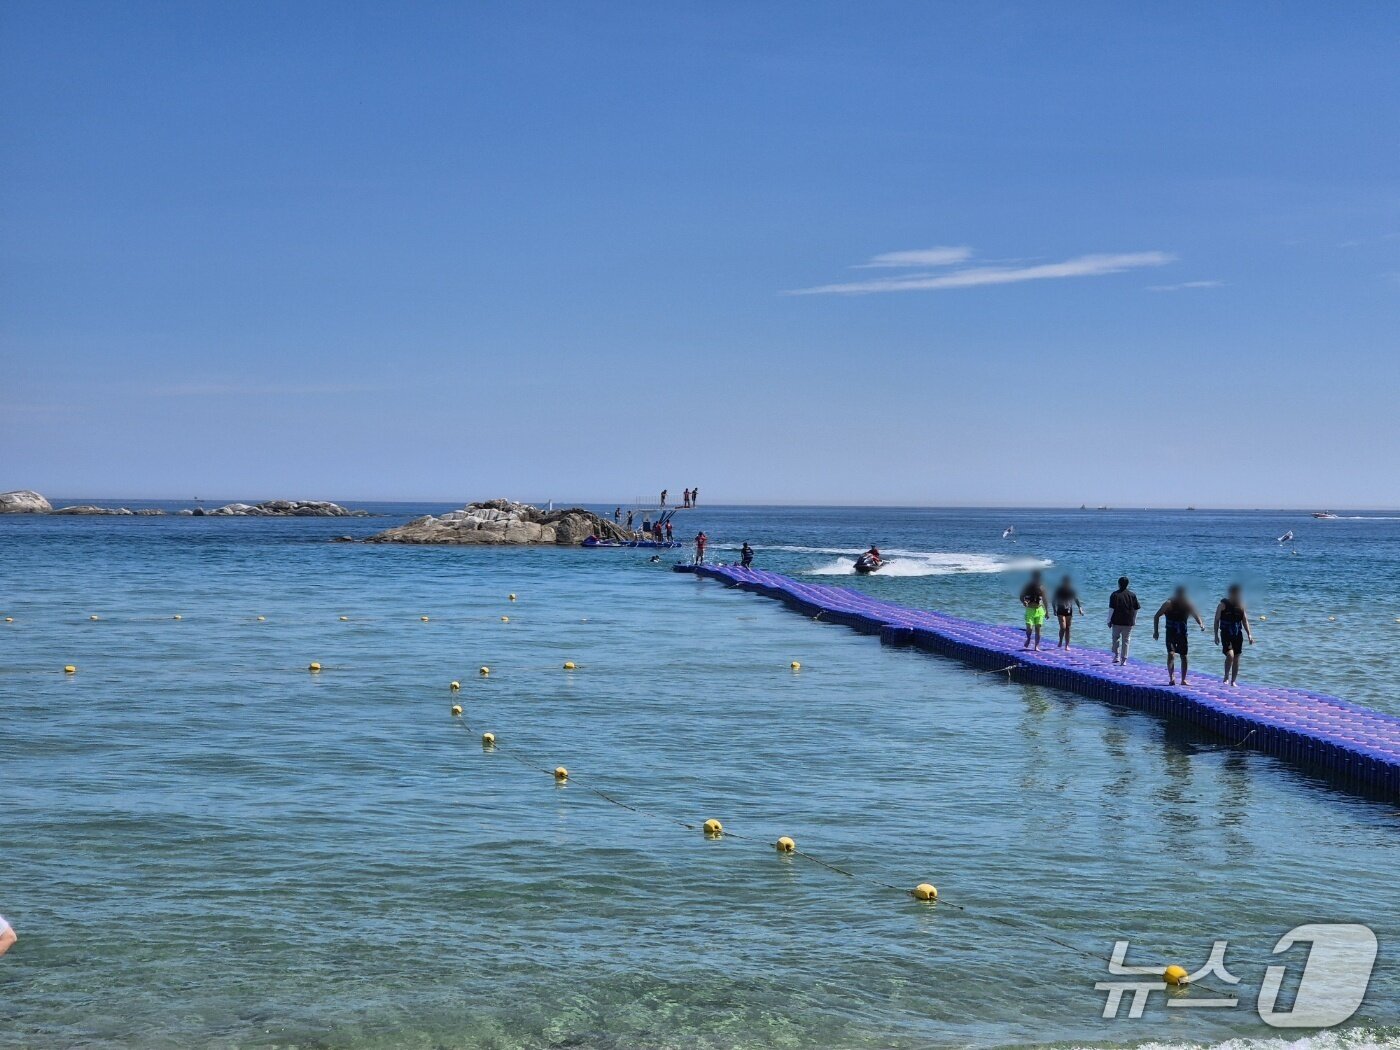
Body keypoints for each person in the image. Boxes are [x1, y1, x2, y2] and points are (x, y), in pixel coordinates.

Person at [1153, 586, 1205, 686]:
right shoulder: (1168, 604)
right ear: (1176, 594)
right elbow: (1156, 616)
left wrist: (1201, 624)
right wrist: (1156, 632)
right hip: (1170, 633)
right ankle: (1172, 678)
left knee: (1184, 656)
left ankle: (1183, 680)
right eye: (1179, 595)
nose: (1181, 597)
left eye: (1182, 595)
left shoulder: (1188, 603)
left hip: (1182, 634)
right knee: (1171, 654)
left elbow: (1195, 614)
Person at [1213, 583, 1254, 686]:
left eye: (1239, 594)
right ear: (1231, 594)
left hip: (1237, 635)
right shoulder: (1222, 605)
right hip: (1226, 633)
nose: (1238, 596)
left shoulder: (1241, 605)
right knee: (1230, 655)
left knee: (1236, 657)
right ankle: (1226, 676)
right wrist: (1216, 635)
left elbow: (1245, 621)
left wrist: (1249, 635)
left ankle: (1234, 681)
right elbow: (1216, 620)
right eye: (1236, 594)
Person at [1108, 576, 1141, 665]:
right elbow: (1136, 608)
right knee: (1126, 640)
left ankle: (1116, 656)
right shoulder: (1132, 595)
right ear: (1127, 584)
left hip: (1116, 621)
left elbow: (1111, 609)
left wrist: (1108, 620)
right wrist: (1134, 619)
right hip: (1128, 621)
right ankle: (1124, 660)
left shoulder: (1114, 595)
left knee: (1115, 638)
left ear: (1118, 584)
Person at [1019, 570, 1050, 651]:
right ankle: (1028, 638)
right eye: (1036, 578)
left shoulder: (1042, 588)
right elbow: (1021, 596)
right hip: (1030, 610)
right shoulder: (1028, 586)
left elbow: (1045, 600)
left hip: (1039, 610)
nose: (1037, 580)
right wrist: (1024, 602)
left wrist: (1047, 611)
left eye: (1038, 578)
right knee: (1029, 628)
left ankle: (1036, 646)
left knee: (1038, 628)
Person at [1052, 575, 1084, 649]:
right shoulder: (1059, 590)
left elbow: (1076, 599)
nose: (1067, 584)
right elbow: (1053, 600)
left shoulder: (1071, 590)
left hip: (1069, 610)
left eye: (1068, 583)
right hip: (1060, 610)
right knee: (1063, 627)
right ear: (1063, 582)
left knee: (1068, 628)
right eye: (1066, 583)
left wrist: (1080, 608)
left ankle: (1067, 645)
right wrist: (1054, 609)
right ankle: (1060, 640)